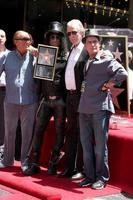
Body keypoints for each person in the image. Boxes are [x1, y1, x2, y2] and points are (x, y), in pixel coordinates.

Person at [78, 29, 128, 189]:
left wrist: (108, 85)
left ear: (100, 44)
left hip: (100, 108)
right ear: (85, 45)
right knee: (86, 146)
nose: (92, 44)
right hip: (84, 108)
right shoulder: (86, 59)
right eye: (89, 42)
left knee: (100, 146)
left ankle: (102, 178)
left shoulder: (106, 59)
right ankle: (90, 176)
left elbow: (123, 73)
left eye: (95, 42)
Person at [23, 21, 68, 176]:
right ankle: (34, 163)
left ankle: (53, 163)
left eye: (56, 37)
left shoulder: (67, 57)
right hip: (45, 99)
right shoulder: (43, 54)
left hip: (60, 101)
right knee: (38, 130)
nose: (54, 39)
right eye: (51, 37)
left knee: (59, 131)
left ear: (61, 39)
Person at [0, 30, 39, 173]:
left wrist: (40, 54)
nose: (28, 41)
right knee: (9, 132)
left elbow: (48, 69)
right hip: (10, 100)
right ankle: (7, 160)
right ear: (16, 41)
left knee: (27, 133)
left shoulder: (35, 56)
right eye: (24, 39)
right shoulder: (6, 56)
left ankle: (25, 162)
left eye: (29, 39)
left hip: (30, 101)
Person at [59, 19, 88, 179]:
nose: (71, 35)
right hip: (70, 97)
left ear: (82, 32)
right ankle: (69, 167)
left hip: (81, 97)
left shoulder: (87, 51)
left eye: (74, 32)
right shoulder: (71, 50)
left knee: (81, 132)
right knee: (70, 132)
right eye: (68, 33)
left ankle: (80, 168)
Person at [0, 30, 10, 152]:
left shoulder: (10, 55)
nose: (0, 38)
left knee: (3, 120)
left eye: (2, 36)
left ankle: (2, 148)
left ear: (6, 38)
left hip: (5, 90)